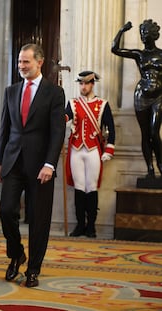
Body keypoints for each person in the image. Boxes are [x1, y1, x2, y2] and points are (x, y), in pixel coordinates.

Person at [0, 43, 65, 288]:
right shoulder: (11, 91)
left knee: (38, 219)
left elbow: (58, 132)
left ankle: (33, 268)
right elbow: (5, 129)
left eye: (26, 62)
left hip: (41, 167)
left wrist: (50, 164)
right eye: (19, 62)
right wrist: (0, 162)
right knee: (5, 211)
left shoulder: (54, 93)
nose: (21, 66)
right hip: (13, 162)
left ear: (39, 62)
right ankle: (16, 254)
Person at [65, 71, 116, 238]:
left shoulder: (102, 104)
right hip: (76, 149)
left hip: (94, 149)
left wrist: (109, 149)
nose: (83, 87)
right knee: (79, 187)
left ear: (92, 84)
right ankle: (80, 225)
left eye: (86, 84)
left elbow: (111, 128)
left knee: (91, 187)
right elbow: (65, 118)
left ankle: (91, 226)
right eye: (80, 84)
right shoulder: (72, 103)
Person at [112, 20, 162, 178]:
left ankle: (161, 165)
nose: (143, 37)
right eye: (142, 34)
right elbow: (115, 49)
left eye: (146, 33)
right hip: (142, 97)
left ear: (154, 35)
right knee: (145, 133)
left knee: (154, 132)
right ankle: (150, 169)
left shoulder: (161, 54)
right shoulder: (139, 55)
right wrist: (121, 30)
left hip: (159, 96)